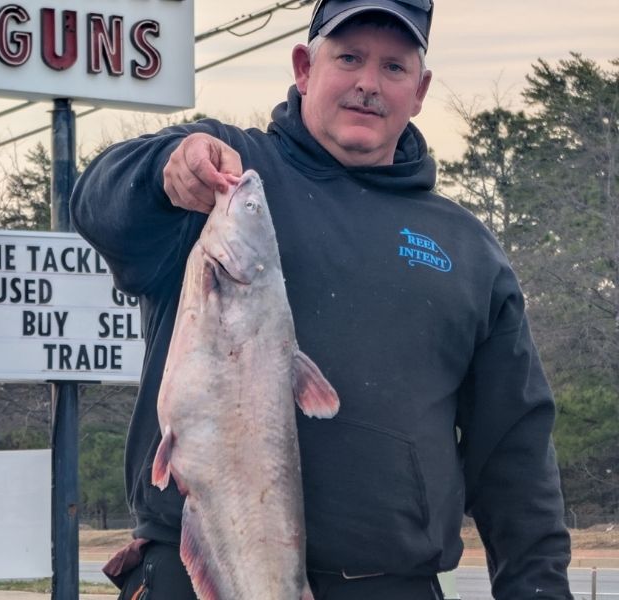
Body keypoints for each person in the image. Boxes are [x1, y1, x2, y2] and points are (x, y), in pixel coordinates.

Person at [70, 0, 573, 598]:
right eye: (349, 58)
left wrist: (538, 587)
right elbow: (100, 204)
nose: (368, 83)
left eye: (393, 67)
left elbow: (513, 448)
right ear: (305, 67)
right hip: (197, 573)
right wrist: (163, 170)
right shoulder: (229, 177)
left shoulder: (468, 248)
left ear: (420, 90)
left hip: (394, 585)